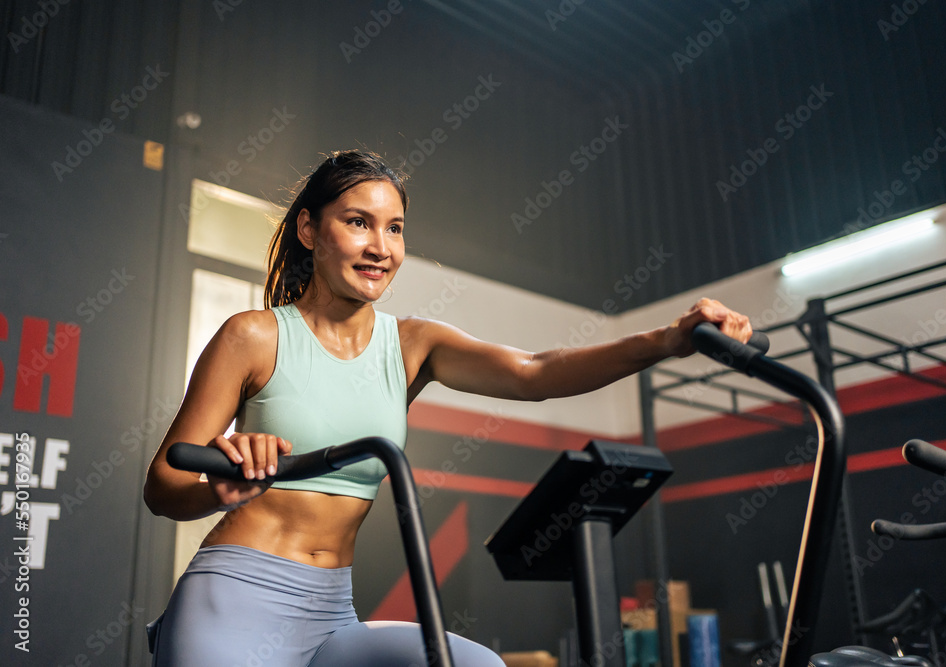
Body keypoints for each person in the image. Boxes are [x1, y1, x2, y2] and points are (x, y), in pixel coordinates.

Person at [142, 149, 752, 666]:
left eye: (395, 227)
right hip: (239, 595)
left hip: (333, 610)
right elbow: (163, 485)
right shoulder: (254, 335)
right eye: (358, 222)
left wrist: (666, 340)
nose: (380, 246)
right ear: (308, 230)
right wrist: (220, 489)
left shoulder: (411, 346)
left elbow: (535, 373)